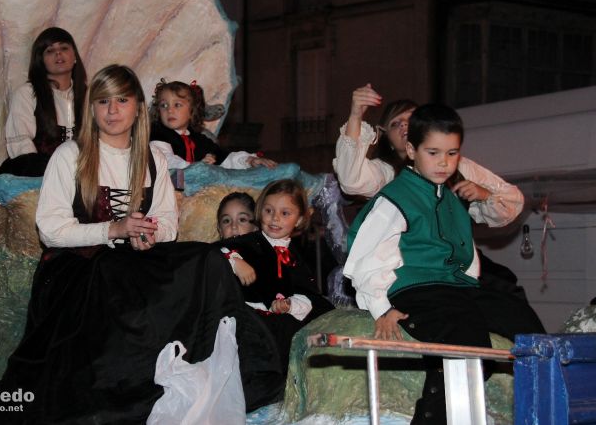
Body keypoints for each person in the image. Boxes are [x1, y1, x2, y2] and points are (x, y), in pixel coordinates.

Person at [0, 64, 283, 424]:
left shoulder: (153, 159)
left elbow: (169, 222)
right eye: (104, 101)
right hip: (75, 269)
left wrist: (147, 232)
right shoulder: (70, 156)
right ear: (91, 108)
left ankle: (211, 369)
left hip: (133, 259)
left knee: (206, 259)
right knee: (115, 277)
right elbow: (50, 230)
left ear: (138, 107)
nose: (112, 110)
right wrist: (113, 229)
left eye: (122, 100)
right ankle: (123, 388)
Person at [343, 104, 545, 424]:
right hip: (416, 288)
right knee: (464, 340)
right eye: (434, 152)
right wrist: (381, 307)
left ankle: (547, 414)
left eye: (452, 154)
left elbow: (468, 251)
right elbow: (367, 257)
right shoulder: (395, 197)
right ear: (411, 150)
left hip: (456, 286)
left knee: (526, 324)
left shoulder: (452, 197)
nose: (444, 162)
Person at [332, 84, 523, 227]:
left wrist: (484, 195)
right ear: (386, 137)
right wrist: (356, 114)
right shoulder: (386, 172)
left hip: (453, 264)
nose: (405, 126)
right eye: (396, 123)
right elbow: (351, 180)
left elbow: (512, 202)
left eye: (411, 120)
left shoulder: (455, 166)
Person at [217, 179, 334, 371]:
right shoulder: (249, 242)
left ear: (299, 219)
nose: (275, 219)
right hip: (244, 318)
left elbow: (309, 292)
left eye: (285, 213)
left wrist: (290, 304)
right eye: (268, 211)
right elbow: (211, 252)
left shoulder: (296, 256)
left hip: (276, 324)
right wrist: (234, 260)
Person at [0, 27, 87, 177]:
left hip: (81, 176)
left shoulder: (90, 97)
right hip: (39, 176)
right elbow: (22, 148)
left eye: (64, 48)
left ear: (75, 56)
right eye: (50, 50)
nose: (58, 53)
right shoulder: (28, 93)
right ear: (41, 60)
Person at [150, 79, 277, 170]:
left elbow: (225, 158)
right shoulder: (157, 133)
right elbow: (164, 159)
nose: (169, 110)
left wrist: (250, 160)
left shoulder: (199, 139)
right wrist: (194, 166)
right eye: (164, 105)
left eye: (177, 104)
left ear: (191, 111)